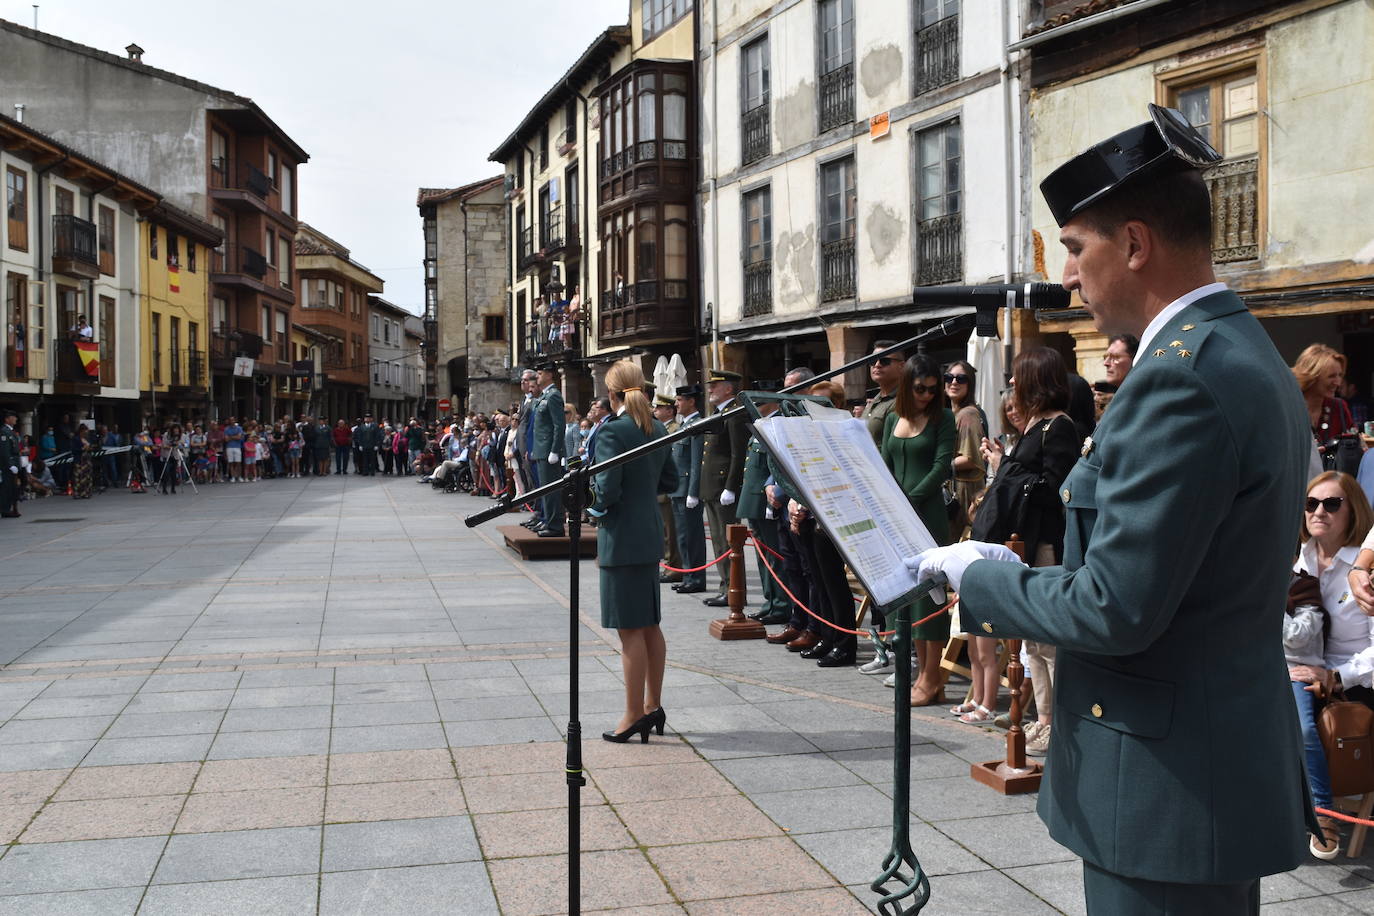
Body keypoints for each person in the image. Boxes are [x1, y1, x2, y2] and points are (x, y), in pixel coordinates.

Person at [910, 104, 1314, 910]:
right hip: (1199, 763)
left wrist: (979, 580)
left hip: (1165, 787)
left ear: (1133, 244)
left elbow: (1117, 605)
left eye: (1073, 247)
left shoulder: (1182, 377)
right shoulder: (1233, 348)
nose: (1064, 274)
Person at [970, 347, 1079, 750]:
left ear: (1037, 378)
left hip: (1046, 544)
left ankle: (1056, 721)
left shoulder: (1059, 426)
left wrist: (1009, 469)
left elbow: (1058, 489)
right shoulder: (1037, 425)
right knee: (1033, 641)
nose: (1012, 383)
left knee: (1047, 641)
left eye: (1019, 375)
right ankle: (1043, 717)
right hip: (1026, 541)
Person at [587, 359, 679, 743]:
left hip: (621, 536)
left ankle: (630, 715)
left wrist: (593, 505)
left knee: (629, 631)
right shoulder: (655, 426)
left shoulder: (615, 431)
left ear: (611, 394)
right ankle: (652, 706)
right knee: (649, 624)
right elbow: (671, 479)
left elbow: (606, 490)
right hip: (648, 533)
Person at [1292, 471, 1374, 860]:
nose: (1319, 511)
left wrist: (1336, 676)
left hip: (1356, 679)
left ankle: (1322, 812)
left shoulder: (1366, 569)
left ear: (1353, 510)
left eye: (1331, 503)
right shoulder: (1298, 560)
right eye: (1311, 503)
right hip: (1303, 670)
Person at [881, 355, 955, 701]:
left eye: (933, 389)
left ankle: (931, 676)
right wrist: (891, 500)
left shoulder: (944, 418)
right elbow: (883, 462)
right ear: (907, 386)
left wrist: (911, 498)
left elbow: (943, 466)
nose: (927, 395)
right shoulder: (893, 416)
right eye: (920, 388)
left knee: (931, 597)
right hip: (898, 516)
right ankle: (919, 674)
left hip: (927, 516)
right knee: (905, 596)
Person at [699, 369, 748, 607]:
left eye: (715, 386)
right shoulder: (719, 413)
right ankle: (725, 586)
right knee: (718, 541)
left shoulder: (735, 413)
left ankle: (733, 588)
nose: (709, 389)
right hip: (712, 487)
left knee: (728, 542)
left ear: (728, 388)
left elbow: (738, 454)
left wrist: (731, 486)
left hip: (723, 488)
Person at [1294, 343, 1358, 474]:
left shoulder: (1339, 406)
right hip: (1298, 482)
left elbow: (1353, 443)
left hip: (1332, 487)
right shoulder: (1290, 406)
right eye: (1331, 376)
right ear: (1312, 375)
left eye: (1340, 375)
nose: (1338, 382)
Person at [669, 386, 707, 595]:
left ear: (691, 402)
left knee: (691, 536)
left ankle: (696, 577)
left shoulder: (697, 424)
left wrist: (694, 491)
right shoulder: (683, 424)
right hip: (678, 489)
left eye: (680, 400)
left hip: (687, 491)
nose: (676, 404)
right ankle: (688, 574)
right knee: (682, 536)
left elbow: (695, 462)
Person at [943, 359, 986, 531]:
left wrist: (938, 466)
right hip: (956, 488)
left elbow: (970, 458)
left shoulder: (967, 415)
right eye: (949, 377)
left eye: (961, 379)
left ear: (970, 384)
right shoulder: (953, 414)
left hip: (964, 493)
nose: (954, 382)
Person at [531, 362, 566, 538]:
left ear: (549, 375)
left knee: (551, 490)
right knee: (545, 489)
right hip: (541, 449)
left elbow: (559, 425)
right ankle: (548, 521)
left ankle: (555, 525)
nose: (537, 377)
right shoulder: (544, 396)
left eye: (540, 373)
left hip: (548, 451)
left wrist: (555, 450)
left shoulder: (553, 396)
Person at [652, 393, 683, 582]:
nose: (655, 411)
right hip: (660, 487)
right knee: (664, 530)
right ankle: (669, 564)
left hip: (669, 487)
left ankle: (674, 566)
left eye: (659, 408)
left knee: (671, 531)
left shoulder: (674, 428)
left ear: (669, 411)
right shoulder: (662, 428)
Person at [0, 408, 20, 517]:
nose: (16, 419)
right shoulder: (4, 431)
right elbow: (4, 450)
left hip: (14, 463)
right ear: (7, 419)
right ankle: (5, 509)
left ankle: (9, 508)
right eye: (13, 417)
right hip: (8, 465)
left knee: (12, 487)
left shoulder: (10, 431)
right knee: (7, 488)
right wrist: (10, 465)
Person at [70, 425, 93, 499]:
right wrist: (82, 448)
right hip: (79, 460)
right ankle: (77, 493)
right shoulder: (76, 439)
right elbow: (74, 450)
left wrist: (90, 448)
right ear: (81, 431)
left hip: (87, 461)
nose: (86, 433)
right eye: (85, 431)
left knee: (87, 477)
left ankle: (86, 492)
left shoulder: (87, 439)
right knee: (78, 477)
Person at [223, 416, 244, 482]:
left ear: (235, 420)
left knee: (238, 463)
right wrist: (235, 436)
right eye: (230, 420)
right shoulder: (226, 429)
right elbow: (226, 439)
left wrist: (230, 437)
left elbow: (239, 437)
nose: (232, 421)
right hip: (229, 447)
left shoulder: (239, 428)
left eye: (233, 420)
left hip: (237, 447)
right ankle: (233, 477)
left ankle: (239, 476)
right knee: (231, 463)